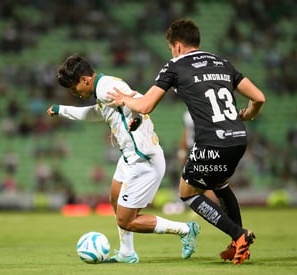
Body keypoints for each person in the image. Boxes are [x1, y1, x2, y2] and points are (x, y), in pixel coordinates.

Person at [106, 18, 266, 265]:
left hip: (212, 142)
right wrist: (249, 114)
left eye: (171, 48)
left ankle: (239, 234)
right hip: (238, 139)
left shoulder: (175, 66)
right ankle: (237, 244)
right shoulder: (221, 63)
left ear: (177, 46)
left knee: (188, 192)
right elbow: (259, 98)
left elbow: (146, 105)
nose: (172, 52)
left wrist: (125, 99)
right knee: (220, 184)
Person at [46, 54, 200, 263]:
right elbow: (96, 114)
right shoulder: (102, 90)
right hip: (129, 157)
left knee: (126, 221)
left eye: (74, 88)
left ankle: (185, 229)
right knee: (114, 199)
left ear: (85, 80)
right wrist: (61, 110)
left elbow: (139, 99)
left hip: (143, 160)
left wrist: (136, 119)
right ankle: (127, 253)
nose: (76, 93)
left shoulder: (106, 87)